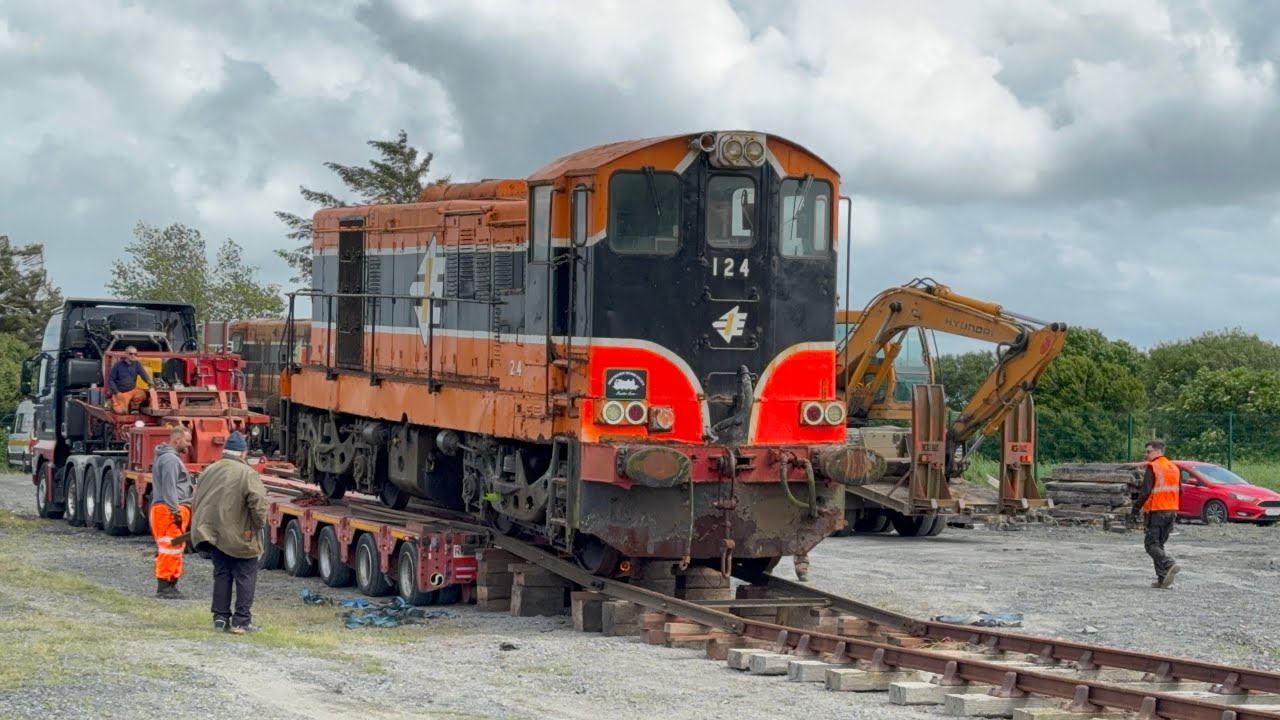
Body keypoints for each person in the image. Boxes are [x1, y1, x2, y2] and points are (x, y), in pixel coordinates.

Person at [189, 431, 269, 634]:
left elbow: (196, 499)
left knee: (222, 574)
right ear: (243, 453)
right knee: (245, 575)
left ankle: (220, 618)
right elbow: (258, 503)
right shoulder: (247, 473)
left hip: (213, 534)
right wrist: (259, 524)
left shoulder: (209, 470)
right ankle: (241, 621)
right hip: (240, 534)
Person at [151, 425, 193, 599]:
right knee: (170, 547)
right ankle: (165, 586)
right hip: (169, 510)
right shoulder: (170, 460)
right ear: (177, 440)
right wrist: (175, 512)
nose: (189, 444)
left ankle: (169, 584)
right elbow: (170, 487)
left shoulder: (166, 457)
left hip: (165, 509)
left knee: (171, 547)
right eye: (187, 441)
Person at [1132, 440, 1182, 589]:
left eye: (1149, 452)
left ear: (1158, 452)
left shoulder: (1153, 466)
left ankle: (1168, 563)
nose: (1146, 455)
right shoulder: (1174, 467)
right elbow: (1180, 490)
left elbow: (1146, 491)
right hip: (1171, 511)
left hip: (1157, 511)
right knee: (1158, 545)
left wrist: (1135, 509)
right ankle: (1162, 578)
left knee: (1150, 545)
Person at [109, 346, 153, 414]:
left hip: (132, 391)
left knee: (142, 395)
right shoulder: (117, 365)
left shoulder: (137, 364)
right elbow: (111, 380)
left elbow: (144, 375)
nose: (133, 356)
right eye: (130, 354)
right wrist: (116, 392)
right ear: (126, 354)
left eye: (135, 354)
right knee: (122, 412)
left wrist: (149, 382)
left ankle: (135, 407)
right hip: (121, 393)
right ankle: (123, 407)